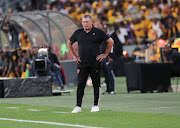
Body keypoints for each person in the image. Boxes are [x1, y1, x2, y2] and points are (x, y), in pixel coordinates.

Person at [67, 15, 114, 113]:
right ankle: (78, 106)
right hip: (82, 63)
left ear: (91, 22)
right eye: (84, 22)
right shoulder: (78, 32)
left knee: (96, 84)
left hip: (95, 62)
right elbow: (69, 43)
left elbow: (110, 41)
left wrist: (105, 54)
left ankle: (96, 105)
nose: (85, 24)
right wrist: (74, 56)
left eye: (87, 21)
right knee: (80, 85)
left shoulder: (98, 32)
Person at [94, 20, 115, 95]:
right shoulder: (99, 35)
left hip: (107, 56)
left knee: (109, 73)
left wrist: (110, 57)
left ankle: (112, 89)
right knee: (105, 74)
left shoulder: (107, 35)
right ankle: (108, 89)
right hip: (101, 56)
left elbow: (111, 46)